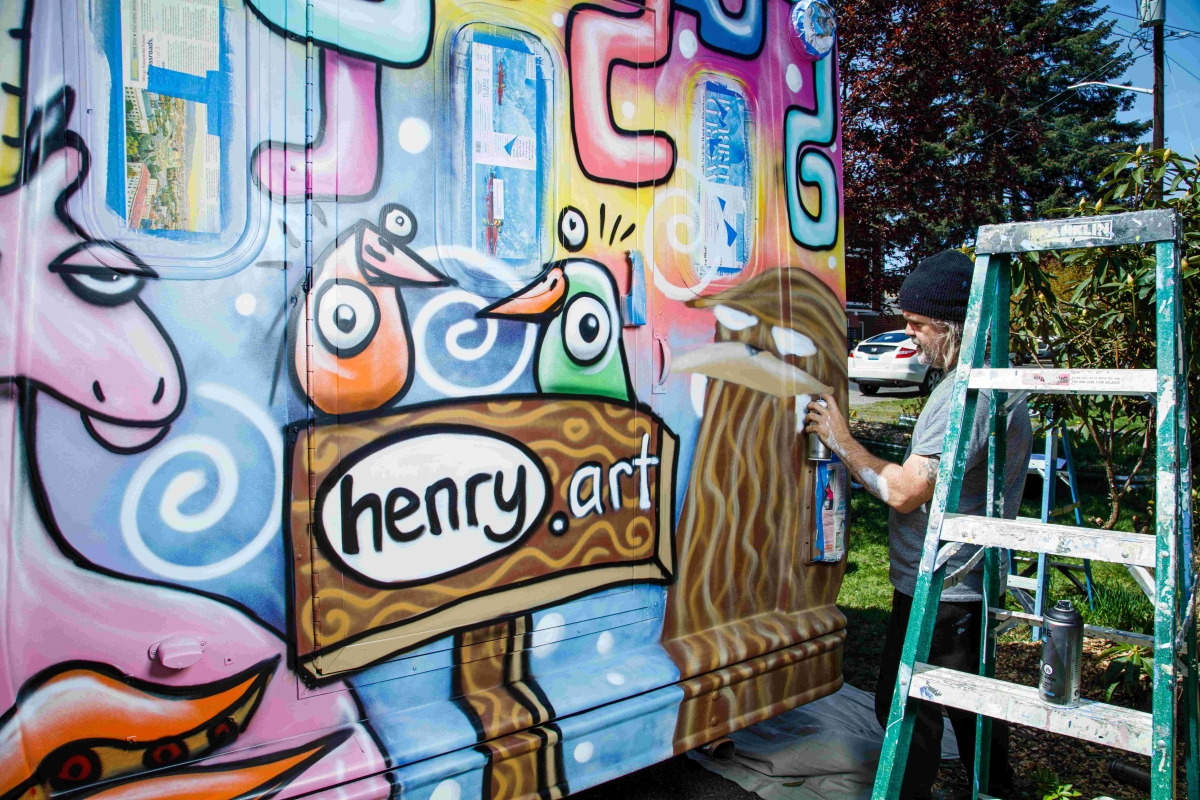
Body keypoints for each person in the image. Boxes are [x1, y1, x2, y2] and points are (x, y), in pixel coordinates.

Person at [804, 249, 1032, 800]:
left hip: (947, 584)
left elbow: (905, 492)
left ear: (951, 325)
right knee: (970, 706)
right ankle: (994, 788)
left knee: (907, 709)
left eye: (917, 325)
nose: (909, 337)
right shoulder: (984, 375)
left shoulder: (965, 395)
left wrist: (842, 441)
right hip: (965, 580)